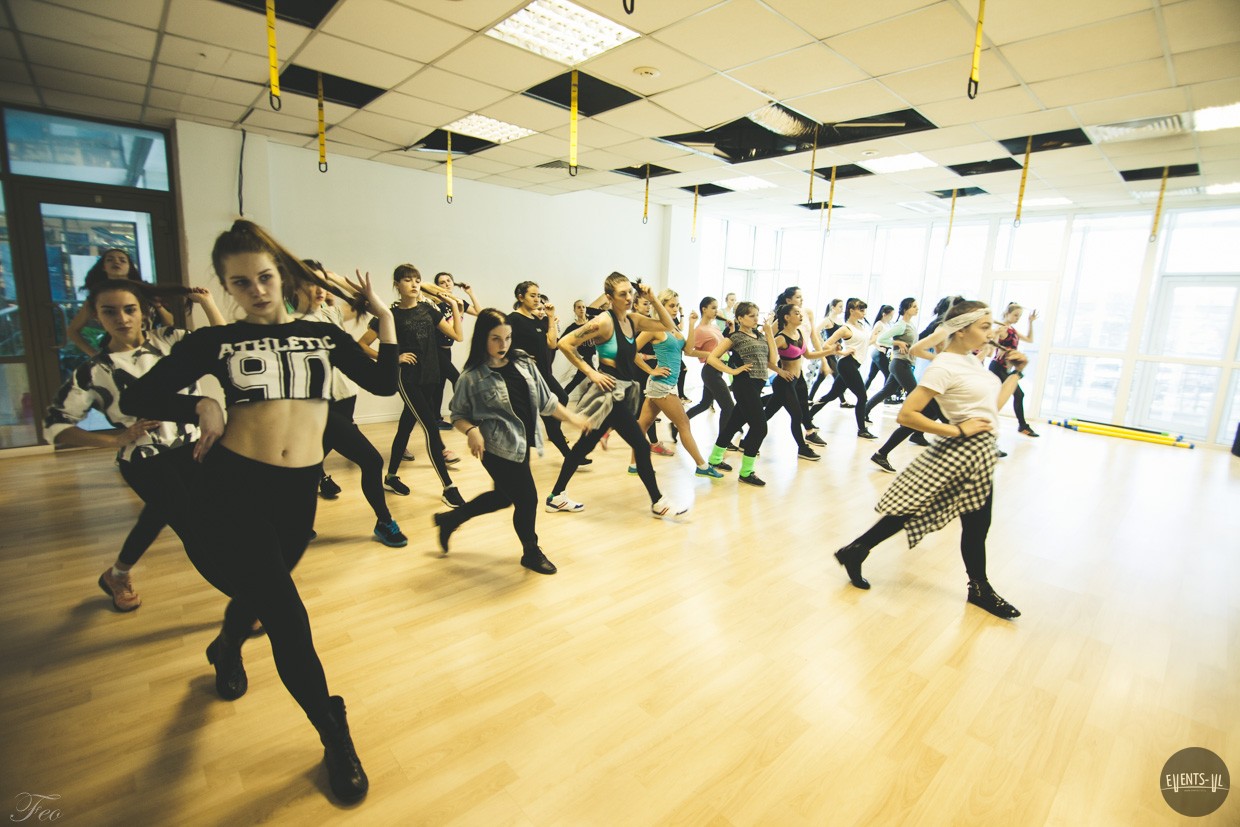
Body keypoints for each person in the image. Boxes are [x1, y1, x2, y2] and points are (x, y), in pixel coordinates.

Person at [122, 219, 399, 802]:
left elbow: (380, 382)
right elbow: (136, 396)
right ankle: (334, 735)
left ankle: (225, 647)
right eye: (241, 283)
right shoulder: (215, 343)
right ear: (226, 287)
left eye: (265, 277)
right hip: (234, 490)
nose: (257, 290)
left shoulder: (321, 336)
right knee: (287, 617)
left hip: (297, 495)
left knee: (259, 592)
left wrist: (384, 316)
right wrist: (202, 402)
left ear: (282, 276)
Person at [832, 300, 1029, 620]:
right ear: (961, 330)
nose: (990, 332)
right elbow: (908, 415)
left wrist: (1016, 373)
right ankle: (979, 587)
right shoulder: (943, 366)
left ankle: (855, 550)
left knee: (936, 513)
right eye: (983, 326)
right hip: (963, 450)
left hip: (979, 451)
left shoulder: (971, 361)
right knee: (970, 522)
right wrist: (957, 429)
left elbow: (992, 407)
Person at [44, 279, 221, 611]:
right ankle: (247, 598)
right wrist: (114, 439)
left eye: (129, 309)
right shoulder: (95, 370)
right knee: (194, 529)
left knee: (162, 515)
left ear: (144, 311)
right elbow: (56, 426)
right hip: (145, 460)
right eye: (110, 312)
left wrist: (208, 303)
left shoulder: (172, 341)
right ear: (97, 316)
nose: (122, 319)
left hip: (194, 449)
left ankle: (117, 574)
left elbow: (223, 342)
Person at [438, 309, 592, 573]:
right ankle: (531, 552)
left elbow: (546, 401)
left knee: (502, 497)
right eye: (496, 339)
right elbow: (457, 415)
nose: (504, 345)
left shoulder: (523, 362)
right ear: (482, 338)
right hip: (494, 448)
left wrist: (573, 418)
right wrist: (471, 430)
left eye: (508, 338)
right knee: (527, 500)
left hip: (520, 443)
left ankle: (450, 519)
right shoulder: (472, 377)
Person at [548, 273, 688, 518]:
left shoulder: (633, 320)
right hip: (608, 394)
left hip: (622, 392)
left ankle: (556, 496)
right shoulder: (604, 322)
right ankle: (658, 501)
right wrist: (591, 372)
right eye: (622, 294)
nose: (629, 298)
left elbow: (669, 326)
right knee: (641, 446)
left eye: (630, 293)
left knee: (583, 446)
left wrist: (653, 298)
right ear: (610, 297)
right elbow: (565, 343)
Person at [296, 266, 406, 546]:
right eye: (311, 283)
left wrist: (334, 279)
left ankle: (296, 521)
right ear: (293, 286)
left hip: (345, 396)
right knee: (371, 460)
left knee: (308, 465)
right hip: (321, 407)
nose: (319, 289)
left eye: (321, 284)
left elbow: (362, 304)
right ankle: (384, 521)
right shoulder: (290, 324)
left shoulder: (329, 314)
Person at [359, 264, 466, 508]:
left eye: (417, 280)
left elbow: (457, 336)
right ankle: (448, 487)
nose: (414, 284)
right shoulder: (389, 315)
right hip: (407, 379)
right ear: (397, 285)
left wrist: (454, 306)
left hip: (431, 377)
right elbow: (362, 344)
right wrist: (393, 358)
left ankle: (390, 477)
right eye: (408, 280)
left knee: (405, 427)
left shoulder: (428, 309)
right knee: (431, 428)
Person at [631, 290, 724, 479]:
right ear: (661, 306)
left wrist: (691, 324)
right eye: (671, 305)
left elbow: (689, 350)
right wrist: (650, 370)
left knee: (643, 425)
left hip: (666, 384)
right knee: (684, 424)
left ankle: (634, 465)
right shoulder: (653, 329)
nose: (675, 309)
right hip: (662, 385)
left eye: (677, 305)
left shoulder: (674, 329)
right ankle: (702, 465)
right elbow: (630, 350)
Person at [705, 301, 785, 486]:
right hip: (744, 384)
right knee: (760, 428)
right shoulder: (735, 337)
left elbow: (773, 360)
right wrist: (732, 371)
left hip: (757, 384)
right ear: (740, 318)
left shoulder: (760, 336)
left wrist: (769, 334)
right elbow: (712, 358)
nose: (756, 319)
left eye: (757, 315)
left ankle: (715, 459)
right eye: (751, 315)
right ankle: (746, 472)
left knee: (733, 423)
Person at [507, 281, 576, 461]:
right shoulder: (513, 319)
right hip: (527, 377)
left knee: (562, 398)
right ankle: (567, 454)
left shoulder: (536, 320)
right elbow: (503, 344)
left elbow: (552, 344)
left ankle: (561, 444)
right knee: (543, 415)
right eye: (532, 295)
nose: (537, 299)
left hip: (544, 374)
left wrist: (550, 317)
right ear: (520, 297)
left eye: (538, 295)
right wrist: (518, 356)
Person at [66, 248, 175, 358]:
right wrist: (94, 355)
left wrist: (157, 305)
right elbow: (72, 331)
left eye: (122, 260)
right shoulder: (98, 297)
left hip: (151, 348)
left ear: (129, 267)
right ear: (103, 267)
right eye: (110, 260)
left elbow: (169, 322)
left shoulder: (144, 291)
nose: (116, 262)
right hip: (117, 353)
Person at [762, 302, 832, 460]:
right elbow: (764, 359)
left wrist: (829, 352)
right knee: (797, 415)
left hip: (799, 380)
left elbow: (808, 355)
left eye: (801, 313)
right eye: (797, 313)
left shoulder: (799, 333)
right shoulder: (781, 338)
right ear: (787, 317)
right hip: (784, 382)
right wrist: (779, 370)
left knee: (768, 413)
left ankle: (746, 439)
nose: (801, 316)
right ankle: (803, 448)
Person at [865, 298, 920, 472]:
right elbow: (881, 338)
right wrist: (897, 342)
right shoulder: (901, 325)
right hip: (899, 363)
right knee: (915, 393)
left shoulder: (910, 325)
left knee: (887, 390)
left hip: (903, 363)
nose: (917, 309)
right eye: (914, 307)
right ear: (906, 308)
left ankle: (864, 410)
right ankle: (912, 426)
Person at [810, 298, 877, 439]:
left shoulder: (861, 326)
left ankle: (807, 417)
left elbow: (863, 344)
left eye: (864, 310)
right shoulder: (845, 328)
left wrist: (875, 339)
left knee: (832, 395)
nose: (864, 312)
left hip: (854, 364)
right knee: (862, 396)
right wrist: (842, 352)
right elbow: (826, 345)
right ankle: (862, 429)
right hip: (847, 365)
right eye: (861, 310)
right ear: (851, 310)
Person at [431, 272, 479, 432]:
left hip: (447, 350)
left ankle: (435, 418)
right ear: (437, 286)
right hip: (435, 350)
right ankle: (465, 415)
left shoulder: (458, 302)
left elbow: (479, 312)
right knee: (457, 379)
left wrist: (470, 293)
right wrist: (459, 311)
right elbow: (450, 328)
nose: (446, 284)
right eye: (442, 282)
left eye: (448, 281)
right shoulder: (435, 303)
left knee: (440, 384)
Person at [684, 296, 734, 430]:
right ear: (704, 309)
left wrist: (731, 330)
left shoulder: (715, 326)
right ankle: (724, 439)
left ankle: (677, 424)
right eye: (713, 308)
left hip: (718, 369)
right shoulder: (699, 330)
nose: (716, 311)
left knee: (705, 404)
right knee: (728, 406)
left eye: (717, 308)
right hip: (710, 371)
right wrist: (709, 355)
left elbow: (724, 346)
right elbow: (688, 352)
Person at [991, 303, 1039, 437]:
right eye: (1015, 315)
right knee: (1018, 394)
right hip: (998, 367)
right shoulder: (1002, 328)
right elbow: (993, 341)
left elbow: (1030, 339)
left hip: (1006, 369)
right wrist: (999, 347)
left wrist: (1030, 322)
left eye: (1019, 316)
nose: (1017, 318)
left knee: (1012, 395)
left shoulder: (1013, 330)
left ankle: (1021, 426)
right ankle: (1022, 426)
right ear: (1007, 314)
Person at [561, 299, 597, 396]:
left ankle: (561, 397)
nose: (581, 309)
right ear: (574, 310)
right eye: (579, 307)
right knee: (598, 378)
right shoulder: (572, 327)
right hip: (583, 359)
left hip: (595, 357)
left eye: (583, 307)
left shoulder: (593, 320)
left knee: (575, 381)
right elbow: (561, 342)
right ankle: (561, 398)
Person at [864, 304, 895, 391]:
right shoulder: (879, 324)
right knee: (888, 374)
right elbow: (872, 339)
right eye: (890, 315)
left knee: (871, 375)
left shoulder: (888, 324)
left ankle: (862, 393)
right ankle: (886, 395)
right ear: (884, 314)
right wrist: (879, 348)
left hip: (884, 352)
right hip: (879, 352)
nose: (892, 317)